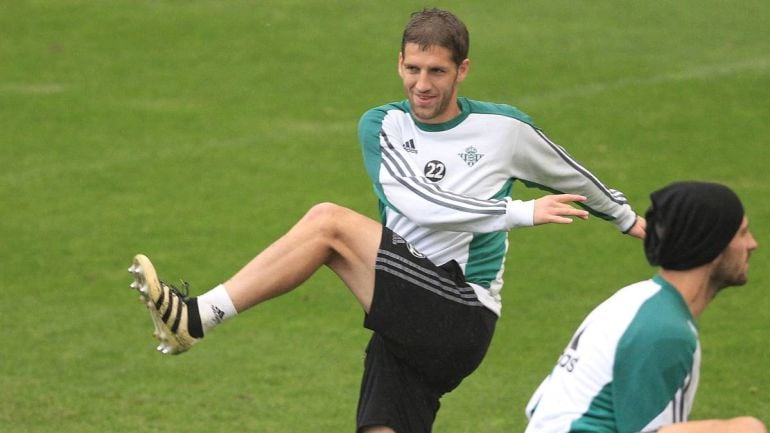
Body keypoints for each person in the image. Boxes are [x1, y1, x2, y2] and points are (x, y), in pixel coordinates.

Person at [127, 8, 644, 433]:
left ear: (463, 70)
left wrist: (629, 220)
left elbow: (570, 173)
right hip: (405, 309)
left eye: (437, 71)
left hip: (460, 309)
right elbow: (419, 202)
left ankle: (198, 317)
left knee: (329, 224)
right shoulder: (384, 124)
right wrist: (519, 212)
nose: (422, 84)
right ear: (399, 63)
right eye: (413, 68)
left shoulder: (503, 130)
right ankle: (193, 320)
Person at [524, 181, 765, 433]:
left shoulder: (636, 300)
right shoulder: (666, 331)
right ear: (713, 247)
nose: (752, 244)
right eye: (742, 233)